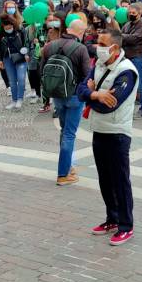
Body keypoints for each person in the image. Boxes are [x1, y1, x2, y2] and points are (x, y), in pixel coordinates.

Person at [78, 28, 138, 246]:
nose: (97, 47)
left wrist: (91, 96)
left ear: (115, 47)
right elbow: (80, 89)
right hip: (99, 130)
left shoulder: (127, 71)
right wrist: (94, 94)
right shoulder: (99, 65)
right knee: (105, 179)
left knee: (120, 181)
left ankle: (125, 225)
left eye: (102, 44)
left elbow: (110, 105)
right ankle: (111, 219)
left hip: (117, 133)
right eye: (97, 43)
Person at [42, 18, 92, 185]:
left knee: (64, 132)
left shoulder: (50, 46)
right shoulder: (81, 48)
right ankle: (63, 174)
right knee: (70, 134)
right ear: (80, 32)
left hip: (57, 94)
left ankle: (68, 167)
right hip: (74, 96)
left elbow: (42, 70)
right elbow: (87, 75)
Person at [120, 2, 142, 118]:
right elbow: (122, 37)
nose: (131, 14)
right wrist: (122, 36)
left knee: (140, 84)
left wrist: (121, 36)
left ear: (140, 13)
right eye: (129, 12)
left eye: (133, 13)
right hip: (126, 57)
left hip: (137, 57)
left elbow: (134, 38)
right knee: (126, 83)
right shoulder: (127, 24)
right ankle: (127, 106)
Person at [0, 14, 29, 110]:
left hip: (21, 57)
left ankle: (20, 99)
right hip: (7, 58)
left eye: (10, 26)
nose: (8, 28)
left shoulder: (20, 31)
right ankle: (14, 100)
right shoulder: (1, 34)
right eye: (6, 27)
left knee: (21, 78)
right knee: (12, 81)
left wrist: (27, 54)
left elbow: (26, 42)